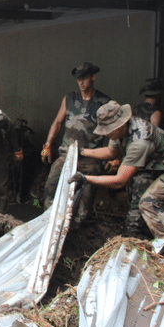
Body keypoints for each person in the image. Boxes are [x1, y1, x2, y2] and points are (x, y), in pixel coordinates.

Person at [71, 101, 164, 239]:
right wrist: (82, 151)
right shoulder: (119, 131)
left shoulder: (140, 141)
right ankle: (142, 234)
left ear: (120, 124)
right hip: (157, 167)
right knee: (137, 191)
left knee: (149, 203)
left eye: (108, 130)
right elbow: (111, 152)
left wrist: (85, 179)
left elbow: (119, 180)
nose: (106, 134)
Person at [41, 62, 110, 226]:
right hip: (67, 153)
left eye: (85, 78)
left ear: (93, 77)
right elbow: (57, 122)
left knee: (85, 201)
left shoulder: (104, 102)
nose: (81, 82)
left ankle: (81, 229)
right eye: (78, 79)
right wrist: (47, 145)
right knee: (50, 187)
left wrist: (113, 156)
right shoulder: (69, 98)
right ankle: (48, 223)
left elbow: (113, 130)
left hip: (91, 157)